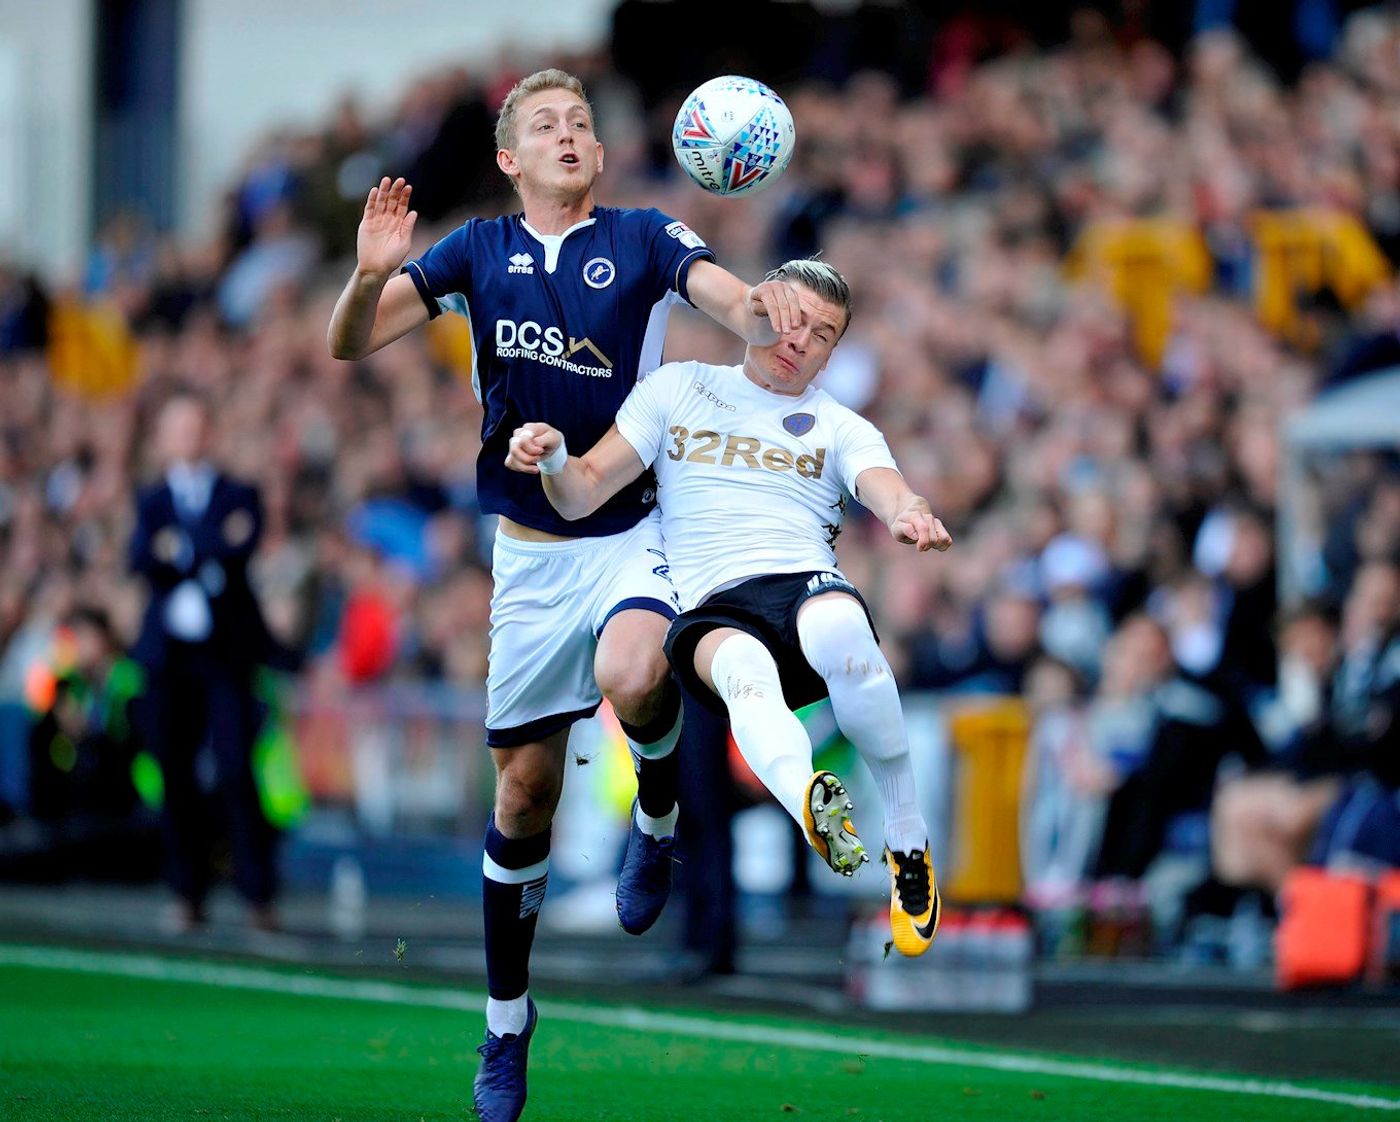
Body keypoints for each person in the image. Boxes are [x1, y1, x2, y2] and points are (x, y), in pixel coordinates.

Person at [326, 68, 804, 1122]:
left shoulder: (640, 234)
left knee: (632, 669)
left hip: (633, 530)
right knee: (521, 798)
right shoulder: (473, 254)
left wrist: (761, 309)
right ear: (509, 159)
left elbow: (719, 293)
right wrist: (368, 278)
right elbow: (349, 341)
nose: (569, 133)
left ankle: (661, 816)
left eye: (581, 121)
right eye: (545, 124)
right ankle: (505, 1028)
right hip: (530, 560)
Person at [506, 259, 951, 960]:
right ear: (759, 307)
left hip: (802, 582)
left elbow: (886, 486)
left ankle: (906, 839)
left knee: (842, 629)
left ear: (834, 353)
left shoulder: (840, 424)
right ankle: (811, 802)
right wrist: (558, 456)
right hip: (712, 604)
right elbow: (583, 491)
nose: (800, 339)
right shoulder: (682, 388)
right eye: (792, 318)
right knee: (742, 674)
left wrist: (910, 512)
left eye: (823, 334)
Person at [129, 390, 279, 932]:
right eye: (179, 427)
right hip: (168, 657)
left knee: (238, 768)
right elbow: (142, 557)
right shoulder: (151, 499)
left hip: (225, 657)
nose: (189, 437)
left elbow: (241, 546)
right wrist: (209, 545)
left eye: (197, 425)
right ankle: (187, 890)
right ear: (165, 437)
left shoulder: (239, 491)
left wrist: (182, 547)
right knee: (174, 772)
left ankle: (258, 893)